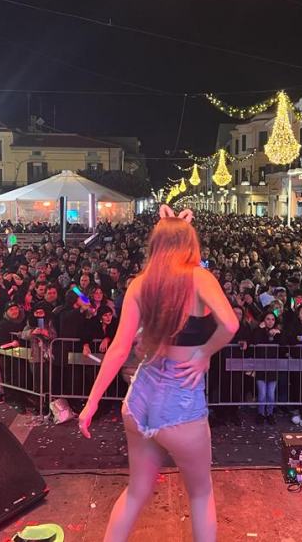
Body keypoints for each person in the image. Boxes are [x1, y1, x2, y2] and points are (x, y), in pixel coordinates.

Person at [78, 206, 238, 542]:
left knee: (136, 491)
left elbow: (119, 350)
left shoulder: (140, 284)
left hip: (138, 402)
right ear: (190, 242)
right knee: (200, 494)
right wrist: (204, 353)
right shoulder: (198, 277)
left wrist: (91, 404)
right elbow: (231, 324)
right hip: (180, 406)